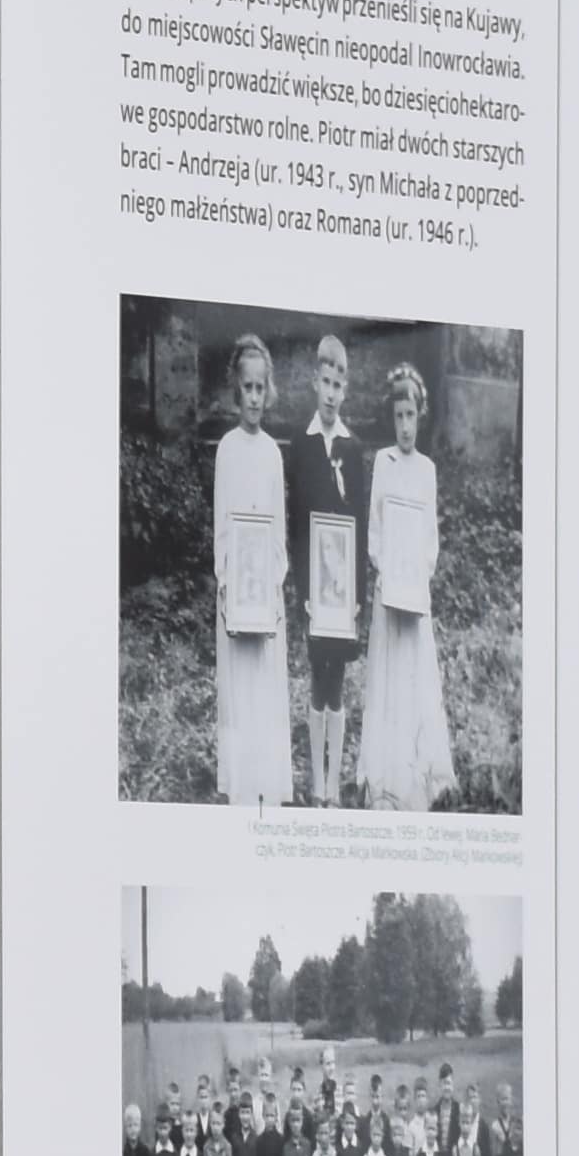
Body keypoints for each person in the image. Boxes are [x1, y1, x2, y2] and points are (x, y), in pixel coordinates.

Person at [354, 356, 454, 813]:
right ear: (391, 418)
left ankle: (415, 773)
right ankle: (385, 772)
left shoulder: (427, 469)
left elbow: (429, 539)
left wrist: (417, 578)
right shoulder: (384, 462)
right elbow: (375, 528)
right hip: (389, 591)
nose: (405, 426)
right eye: (398, 416)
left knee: (414, 677)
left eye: (411, 415)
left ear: (421, 416)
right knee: (388, 675)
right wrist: (387, 571)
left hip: (414, 593)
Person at [283, 333, 370, 806]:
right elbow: (298, 524)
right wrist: (303, 591)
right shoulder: (302, 443)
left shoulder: (354, 449)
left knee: (338, 679)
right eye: (326, 383)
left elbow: (359, 523)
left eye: (339, 385)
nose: (332, 394)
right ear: (315, 382)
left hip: (343, 588)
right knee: (318, 673)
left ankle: (334, 784)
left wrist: (357, 594)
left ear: (346, 389)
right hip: (315, 587)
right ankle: (316, 781)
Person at [207, 335, 294, 802]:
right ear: (236, 391)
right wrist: (229, 585)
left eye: (261, 388)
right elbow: (223, 527)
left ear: (269, 390)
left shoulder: (272, 454)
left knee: (264, 687)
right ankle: (241, 786)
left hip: (265, 598)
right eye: (248, 388)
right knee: (239, 689)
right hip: (236, 598)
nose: (255, 398)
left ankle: (266, 784)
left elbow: (277, 530)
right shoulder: (227, 449)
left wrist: (271, 586)